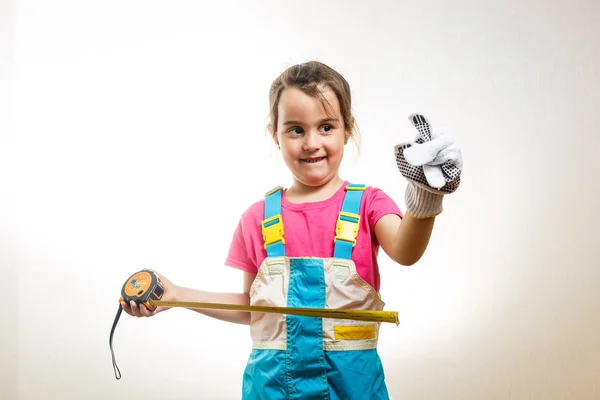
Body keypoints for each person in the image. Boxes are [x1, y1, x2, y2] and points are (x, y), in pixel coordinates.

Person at [120, 60, 462, 399]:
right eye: (296, 129)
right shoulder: (256, 219)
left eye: (326, 127)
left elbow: (406, 251)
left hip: (354, 388)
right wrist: (178, 296)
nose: (311, 142)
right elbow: (252, 309)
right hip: (270, 390)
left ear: (348, 128)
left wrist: (425, 197)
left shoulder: (368, 204)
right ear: (276, 135)